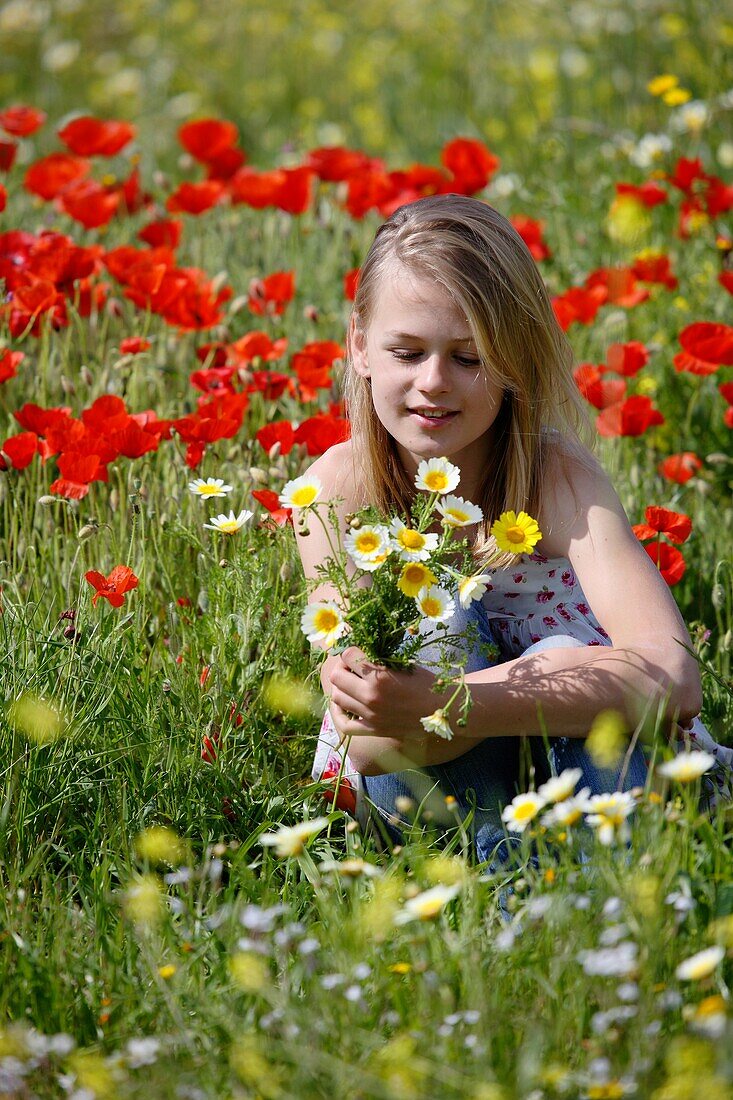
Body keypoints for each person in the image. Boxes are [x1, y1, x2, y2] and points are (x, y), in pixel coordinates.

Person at [293, 194, 730, 863]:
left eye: (468, 359)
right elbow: (374, 737)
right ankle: (504, 875)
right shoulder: (332, 494)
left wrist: (470, 696)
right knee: (434, 627)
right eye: (406, 352)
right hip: (425, 798)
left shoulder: (556, 480)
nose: (433, 383)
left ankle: (579, 886)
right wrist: (562, 679)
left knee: (559, 656)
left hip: (591, 776)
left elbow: (673, 675)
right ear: (358, 344)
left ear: (514, 358)